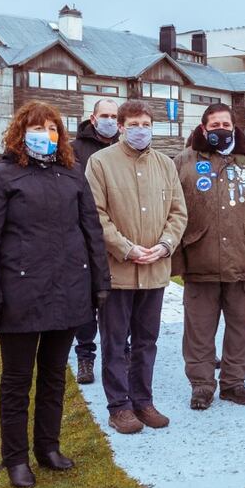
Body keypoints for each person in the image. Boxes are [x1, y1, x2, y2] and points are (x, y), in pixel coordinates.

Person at [0, 101, 110, 488]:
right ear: (20, 133)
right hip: (20, 294)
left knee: (54, 376)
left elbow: (91, 231)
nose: (46, 135)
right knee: (17, 382)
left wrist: (100, 282)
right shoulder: (2, 176)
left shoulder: (72, 174)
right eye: (37, 128)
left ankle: (48, 447)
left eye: (52, 129)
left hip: (68, 290)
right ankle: (15, 458)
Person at [84, 100, 187, 434]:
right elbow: (95, 214)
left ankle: (143, 401)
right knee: (115, 343)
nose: (141, 130)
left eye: (146, 124)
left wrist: (165, 245)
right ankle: (119, 407)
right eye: (133, 125)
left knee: (146, 341)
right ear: (121, 127)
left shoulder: (165, 164)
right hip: (118, 271)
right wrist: (126, 249)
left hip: (155, 269)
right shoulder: (101, 163)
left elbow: (178, 212)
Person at [172, 104, 245, 409]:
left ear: (234, 128)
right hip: (200, 261)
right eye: (214, 125)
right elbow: (171, 212)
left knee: (242, 329)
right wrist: (178, 260)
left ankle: (234, 383)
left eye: (226, 124)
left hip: (243, 260)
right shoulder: (184, 161)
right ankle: (202, 386)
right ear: (204, 128)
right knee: (198, 331)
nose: (221, 129)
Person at [70, 98, 120, 385]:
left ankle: (121, 352)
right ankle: (85, 356)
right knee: (88, 300)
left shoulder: (124, 148)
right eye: (105, 115)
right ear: (93, 118)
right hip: (85, 234)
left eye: (114, 116)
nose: (110, 121)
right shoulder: (75, 150)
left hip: (118, 235)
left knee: (118, 299)